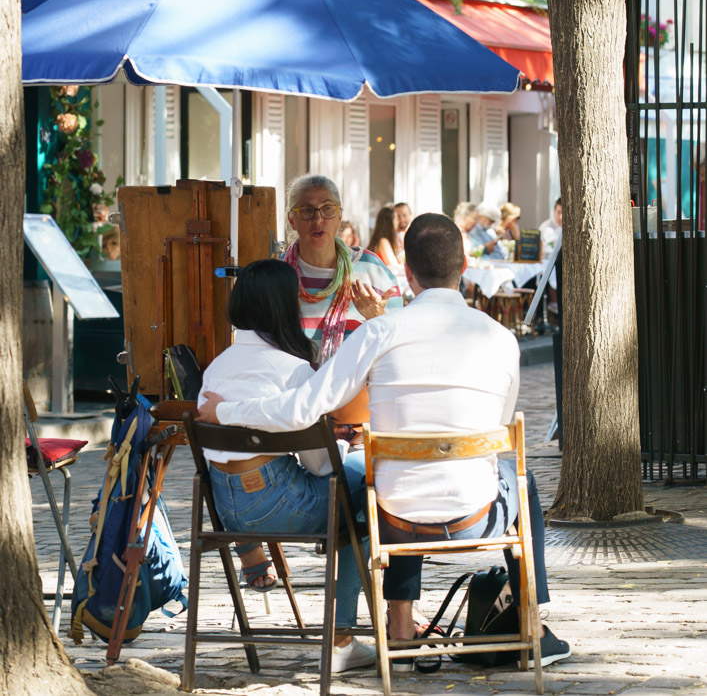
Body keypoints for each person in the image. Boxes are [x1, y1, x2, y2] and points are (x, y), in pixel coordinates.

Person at [200, 214, 570, 671]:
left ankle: (398, 627)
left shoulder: (378, 333)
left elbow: (303, 408)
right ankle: (532, 619)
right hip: (477, 517)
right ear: (465, 266)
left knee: (382, 482)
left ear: (407, 273)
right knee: (523, 480)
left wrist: (225, 411)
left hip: (396, 520)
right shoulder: (501, 337)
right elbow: (496, 426)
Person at [197, 260, 376, 673]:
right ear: (284, 308)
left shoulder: (216, 368)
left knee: (348, 489)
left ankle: (343, 633)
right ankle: (342, 639)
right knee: (359, 499)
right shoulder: (293, 369)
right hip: (280, 504)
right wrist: (345, 447)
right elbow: (318, 469)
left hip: (227, 511)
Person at [285, 174, 402, 362]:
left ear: (339, 216)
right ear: (292, 220)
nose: (318, 219)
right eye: (307, 211)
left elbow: (398, 348)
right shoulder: (276, 274)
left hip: (355, 390)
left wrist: (377, 318)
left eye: (328, 209)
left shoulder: (372, 270)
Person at [368, 205, 401, 269]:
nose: (398, 221)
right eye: (396, 218)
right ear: (390, 222)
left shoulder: (380, 240)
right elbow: (394, 266)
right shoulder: (383, 241)